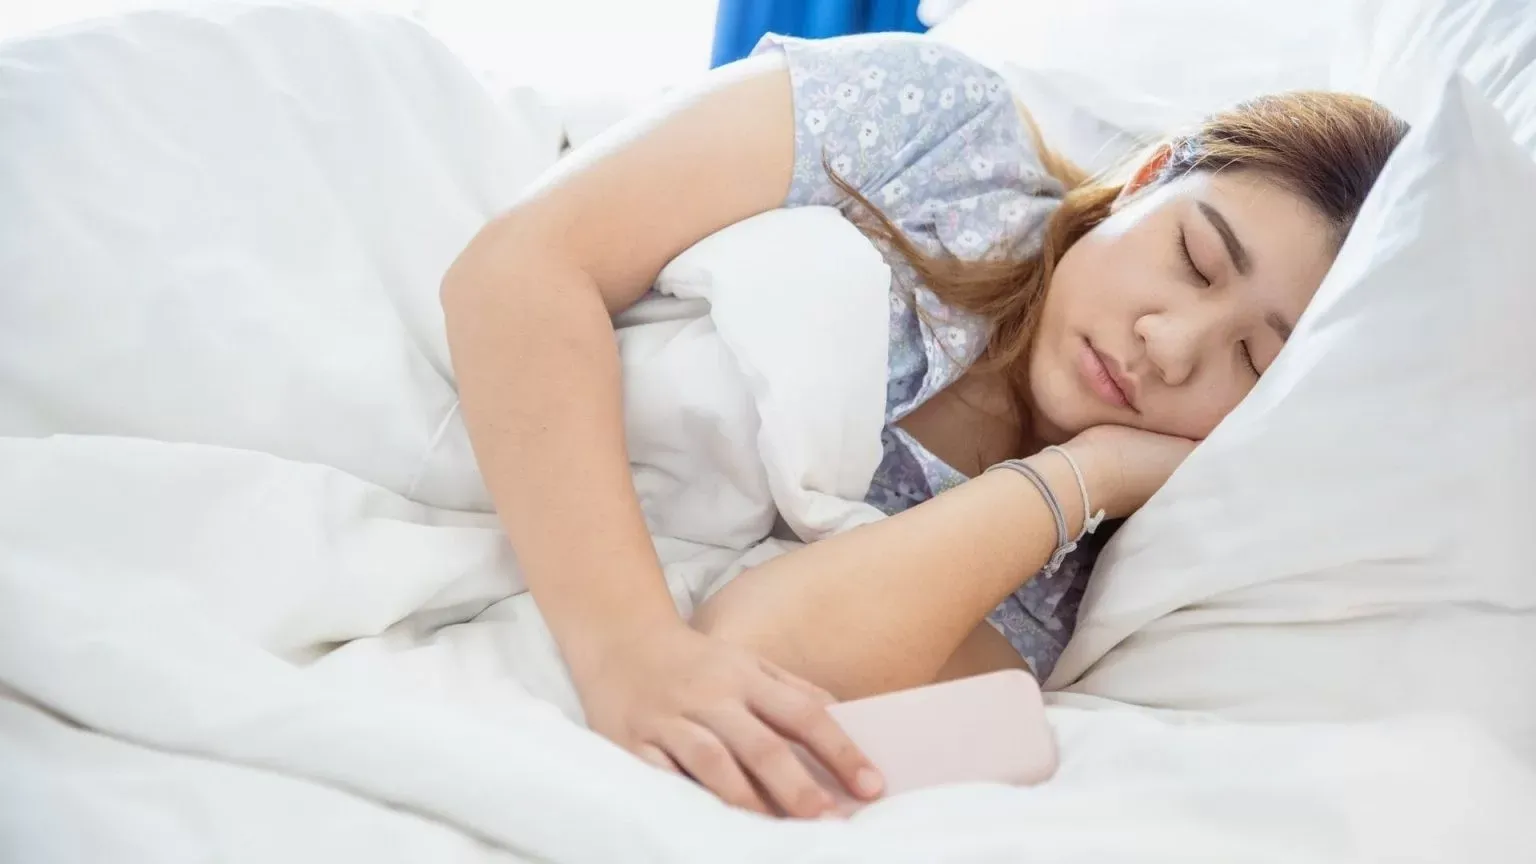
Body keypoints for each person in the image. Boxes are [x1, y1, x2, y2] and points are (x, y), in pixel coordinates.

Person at [440, 32, 1407, 819]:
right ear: (1149, 176)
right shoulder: (943, 129)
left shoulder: (1074, 585)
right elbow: (521, 264)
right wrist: (628, 648)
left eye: (1252, 362)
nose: (1171, 344)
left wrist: (1088, 476)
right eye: (1194, 259)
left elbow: (764, 655)